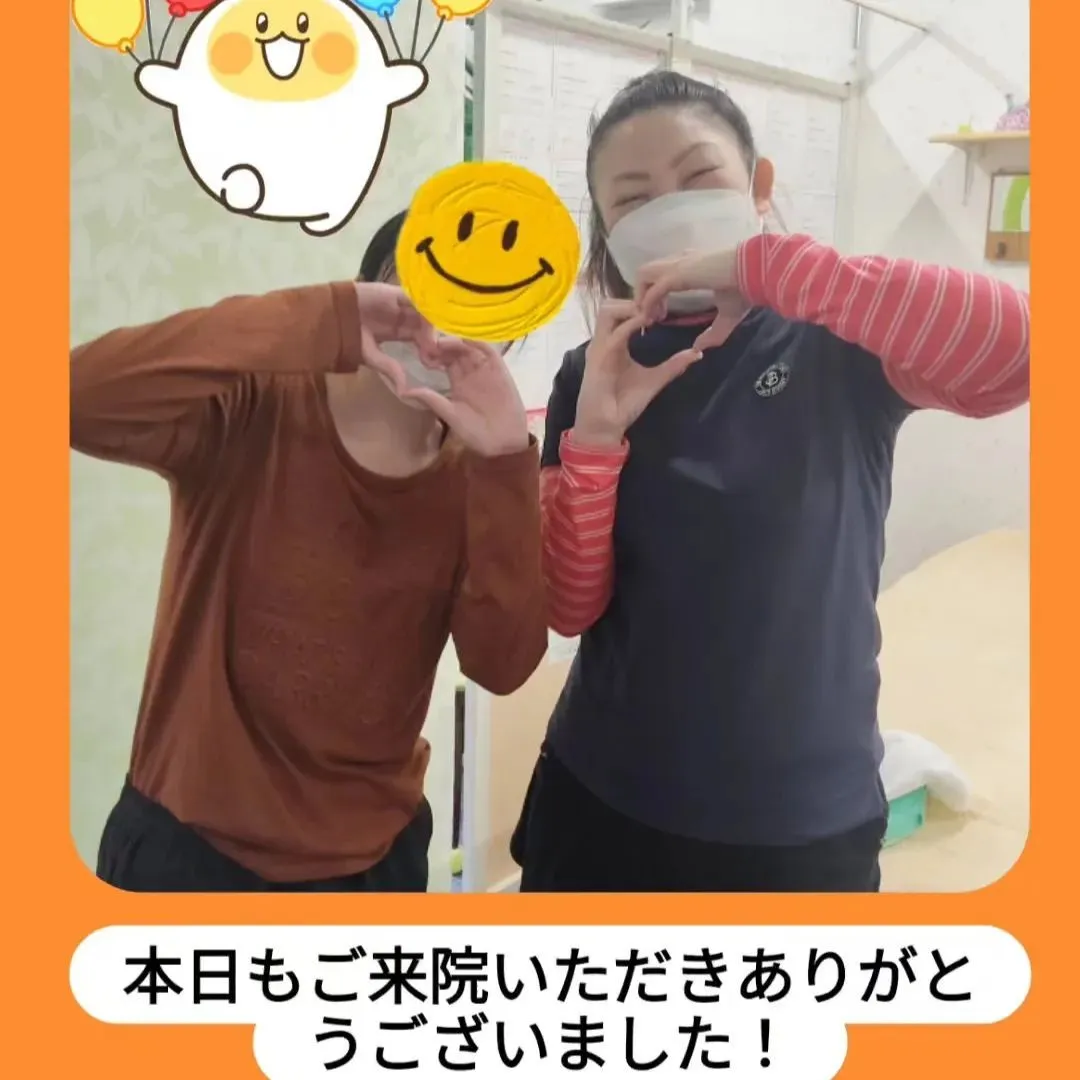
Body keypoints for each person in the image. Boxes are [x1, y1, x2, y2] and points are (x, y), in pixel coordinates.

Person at [512, 70, 1030, 893]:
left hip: (799, 823)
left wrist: (764, 267)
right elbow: (568, 607)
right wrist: (597, 440)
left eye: (699, 177)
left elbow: (1020, 352)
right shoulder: (590, 371)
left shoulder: (839, 340)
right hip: (604, 796)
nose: (671, 210)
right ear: (608, 231)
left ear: (758, 187)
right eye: (634, 199)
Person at [72, 211, 547, 893]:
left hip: (374, 860)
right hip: (188, 848)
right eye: (430, 282)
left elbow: (503, 665)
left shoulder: (481, 473)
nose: (448, 322)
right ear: (372, 289)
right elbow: (75, 397)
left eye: (488, 299)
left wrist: (505, 463)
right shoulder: (253, 404)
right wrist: (318, 318)